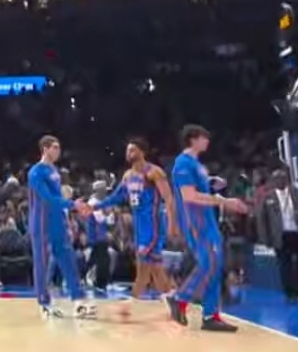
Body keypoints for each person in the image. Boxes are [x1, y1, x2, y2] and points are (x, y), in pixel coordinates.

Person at [165, 124, 248, 332]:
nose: (207, 141)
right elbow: (189, 196)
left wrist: (210, 183)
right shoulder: (183, 163)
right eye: (204, 137)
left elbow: (197, 188)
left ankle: (210, 315)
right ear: (193, 139)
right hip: (196, 222)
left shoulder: (196, 165)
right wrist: (225, 201)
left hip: (208, 220)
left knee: (215, 266)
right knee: (209, 264)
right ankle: (179, 298)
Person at [92, 139, 181, 302]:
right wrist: (95, 206)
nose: (129, 153)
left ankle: (139, 300)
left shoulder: (154, 172)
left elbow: (169, 199)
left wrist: (172, 224)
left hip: (153, 225)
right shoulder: (128, 176)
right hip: (139, 226)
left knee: (151, 267)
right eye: (128, 150)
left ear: (142, 152)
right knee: (146, 268)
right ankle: (167, 298)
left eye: (132, 150)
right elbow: (116, 197)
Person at [28, 136, 93, 319]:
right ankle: (44, 304)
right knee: (42, 263)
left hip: (57, 221)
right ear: (45, 149)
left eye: (58, 147)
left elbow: (57, 197)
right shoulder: (35, 172)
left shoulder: (54, 171)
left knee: (68, 260)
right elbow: (47, 198)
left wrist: (67, 216)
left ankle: (78, 302)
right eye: (55, 147)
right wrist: (72, 205)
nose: (58, 151)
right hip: (41, 222)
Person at [257, 167, 298, 303]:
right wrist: (265, 238)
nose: (280, 181)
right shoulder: (268, 197)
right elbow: (262, 219)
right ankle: (290, 293)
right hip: (280, 236)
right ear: (273, 181)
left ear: (287, 180)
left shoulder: (297, 193)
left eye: (282, 178)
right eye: (277, 179)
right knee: (285, 266)